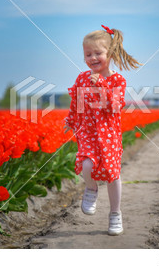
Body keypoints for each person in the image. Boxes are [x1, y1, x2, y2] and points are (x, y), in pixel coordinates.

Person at [63, 25, 142, 236]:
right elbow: (76, 102)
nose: (93, 58)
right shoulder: (82, 78)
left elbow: (115, 106)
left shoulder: (117, 80)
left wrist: (101, 87)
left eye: (98, 53)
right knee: (86, 164)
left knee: (111, 174)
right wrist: (71, 119)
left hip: (109, 134)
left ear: (110, 53)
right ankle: (91, 188)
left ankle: (115, 213)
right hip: (88, 132)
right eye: (88, 54)